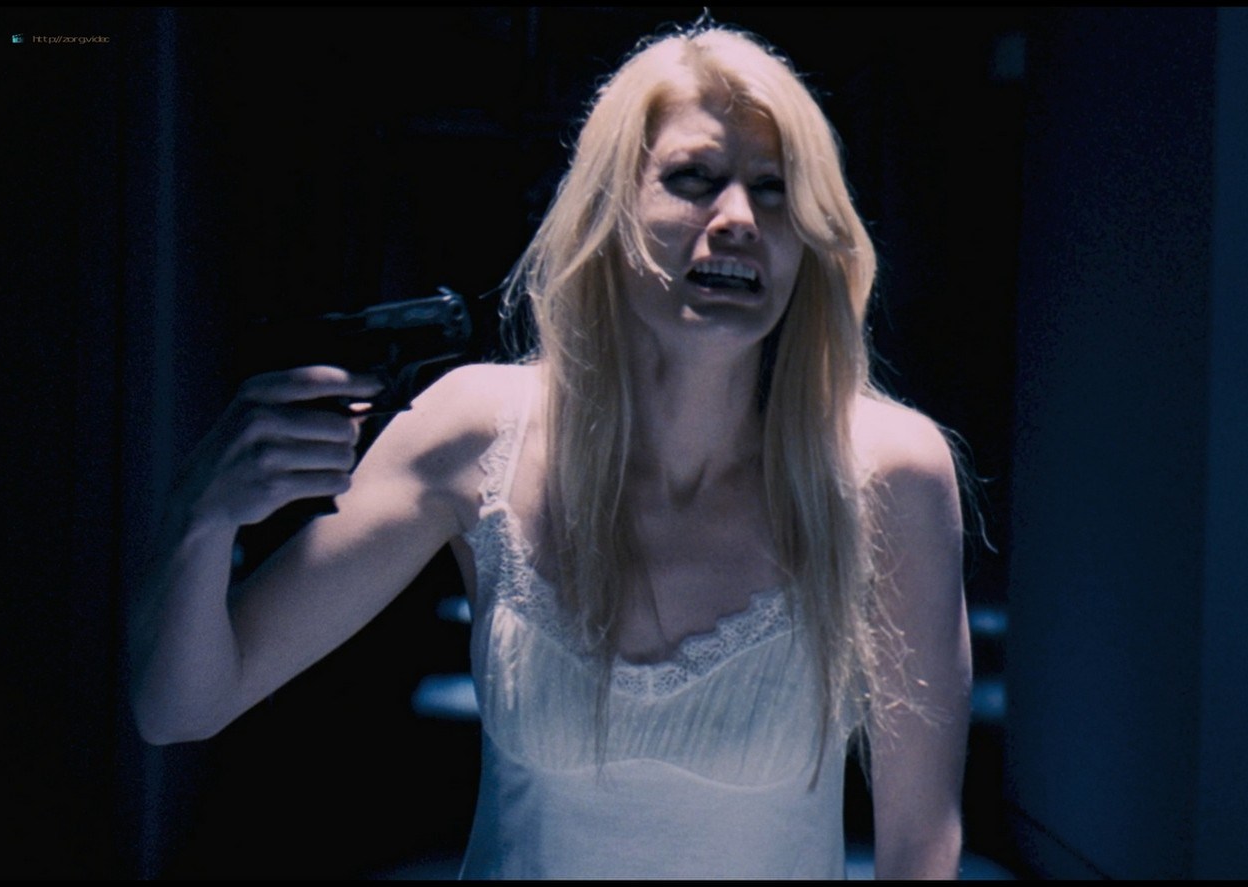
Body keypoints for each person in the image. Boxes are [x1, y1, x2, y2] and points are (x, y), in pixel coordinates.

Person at [131, 25, 971, 879]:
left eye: (776, 190)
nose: (739, 220)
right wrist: (201, 516)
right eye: (693, 179)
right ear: (612, 207)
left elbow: (921, 843)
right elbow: (178, 708)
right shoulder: (474, 432)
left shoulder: (888, 471)